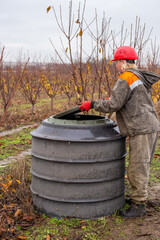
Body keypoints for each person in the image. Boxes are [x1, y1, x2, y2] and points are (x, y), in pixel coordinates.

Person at [79, 46, 160, 218]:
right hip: (150, 125)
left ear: (123, 62)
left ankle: (139, 206)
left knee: (137, 167)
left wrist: (92, 104)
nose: (115, 66)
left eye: (116, 62)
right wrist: (109, 100)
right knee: (142, 164)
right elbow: (130, 99)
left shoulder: (126, 78)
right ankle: (140, 197)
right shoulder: (139, 76)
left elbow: (114, 105)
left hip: (141, 127)